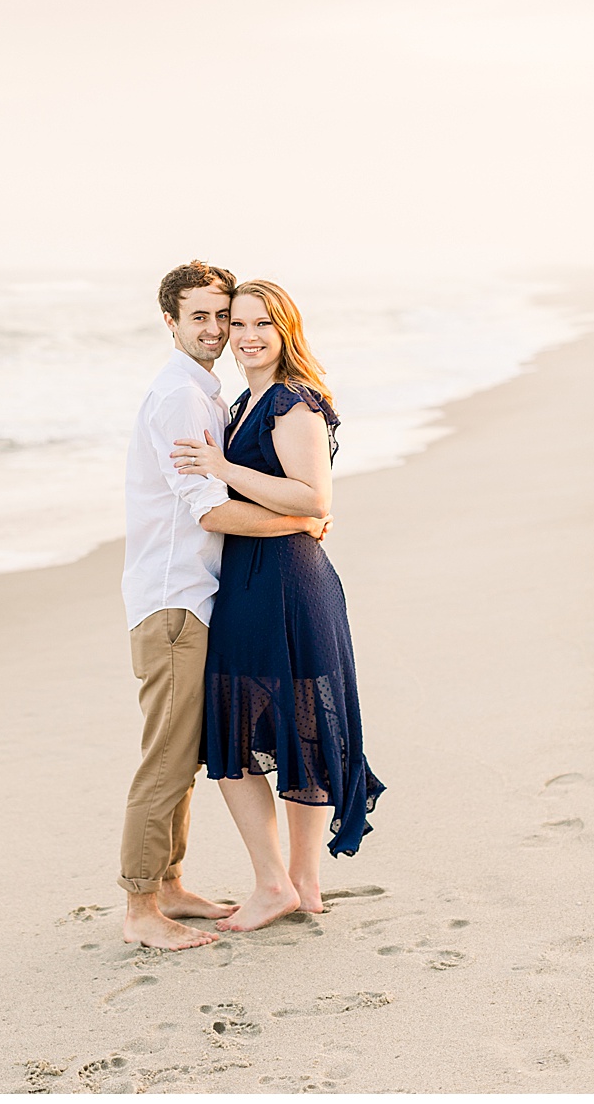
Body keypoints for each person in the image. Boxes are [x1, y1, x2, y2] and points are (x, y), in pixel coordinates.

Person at [119, 261, 334, 950]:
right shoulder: (183, 398)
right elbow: (211, 512)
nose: (218, 330)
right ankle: (141, 908)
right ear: (171, 322)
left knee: (184, 753)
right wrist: (301, 519)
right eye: (204, 317)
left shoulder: (216, 396)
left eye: (227, 316)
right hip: (175, 600)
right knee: (168, 758)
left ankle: (170, 885)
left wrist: (304, 511)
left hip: (200, 597)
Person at [172, 279, 386, 932]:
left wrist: (222, 468)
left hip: (284, 583)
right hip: (259, 575)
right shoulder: (246, 401)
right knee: (277, 728)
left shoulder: (293, 400)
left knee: (250, 730)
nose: (247, 335)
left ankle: (284, 884)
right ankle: (297, 884)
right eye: (237, 323)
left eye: (262, 323)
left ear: (285, 328)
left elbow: (313, 498)